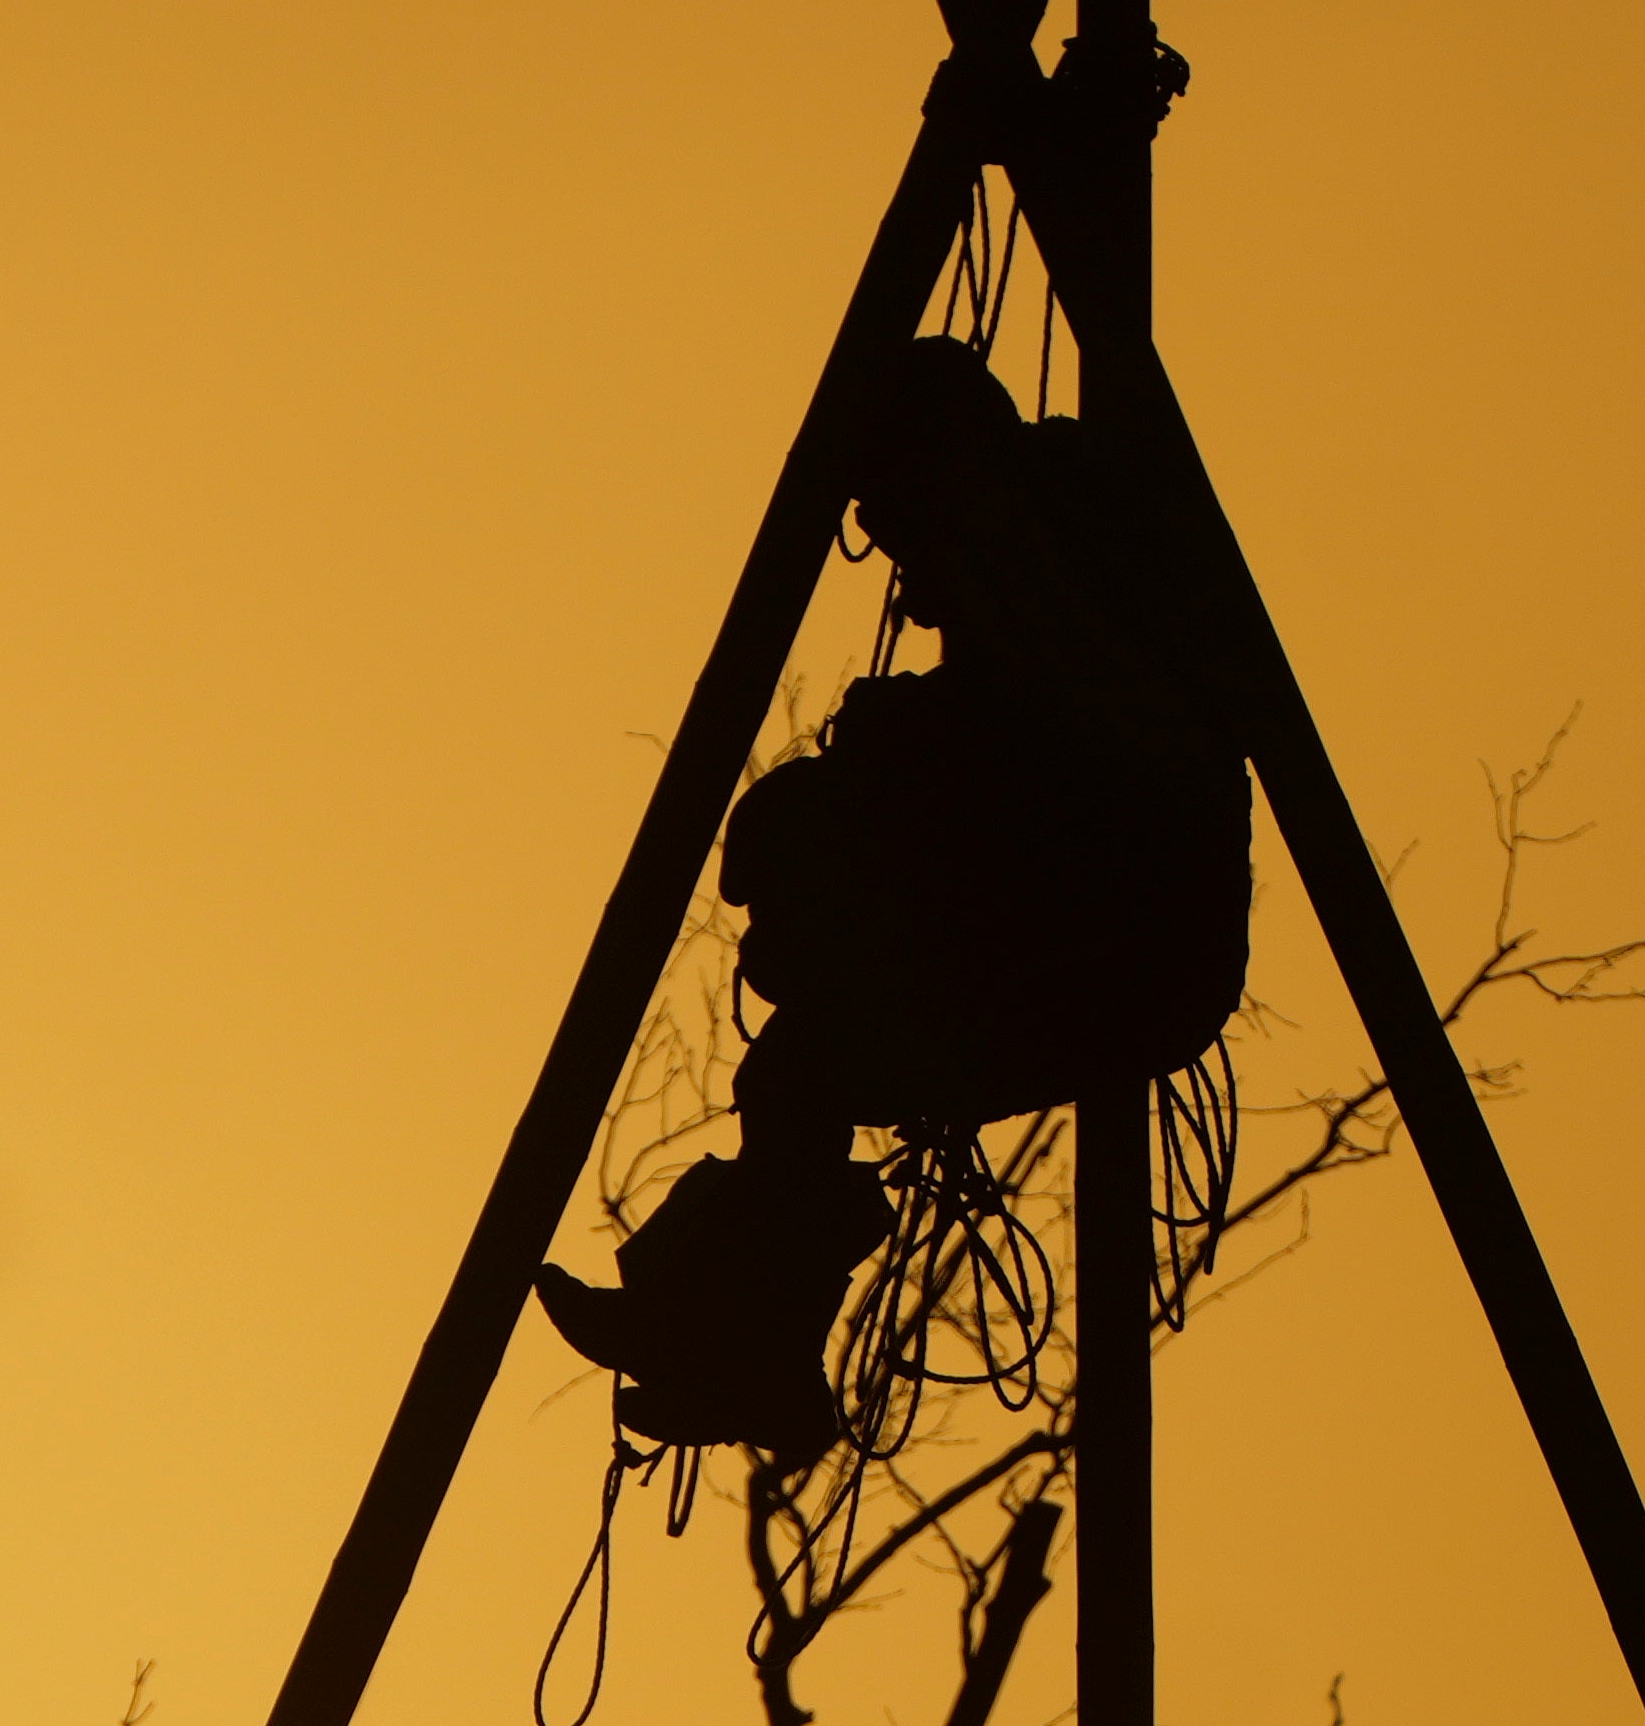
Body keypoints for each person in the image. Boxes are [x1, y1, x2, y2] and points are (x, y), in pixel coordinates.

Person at [532, 342, 1250, 1465]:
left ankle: (737, 1344)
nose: (899, 572)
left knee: (812, 1058)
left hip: (1127, 935)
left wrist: (894, 758)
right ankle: (715, 1333)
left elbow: (1085, 740)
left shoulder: (1038, 554)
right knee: (802, 1069)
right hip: (1099, 920)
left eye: (885, 517)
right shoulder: (1026, 548)